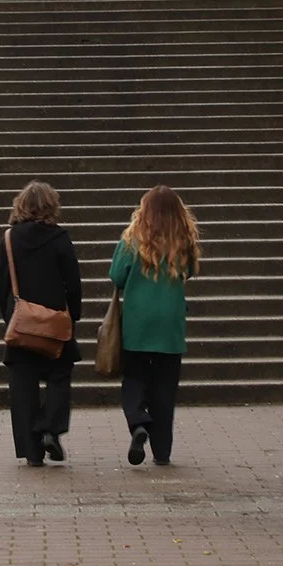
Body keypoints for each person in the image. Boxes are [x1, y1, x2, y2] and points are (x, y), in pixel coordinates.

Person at [108, 184, 201, 467]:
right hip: (170, 326)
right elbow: (191, 271)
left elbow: (116, 276)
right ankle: (162, 451)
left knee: (134, 378)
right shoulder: (183, 240)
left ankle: (138, 422)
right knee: (165, 387)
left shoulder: (132, 240)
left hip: (138, 323)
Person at [0, 179, 82, 466]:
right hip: (54, 321)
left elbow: (2, 285)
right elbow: (73, 282)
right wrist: (74, 316)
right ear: (51, 205)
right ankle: (50, 428)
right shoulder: (59, 238)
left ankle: (32, 452)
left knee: (22, 385)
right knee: (60, 374)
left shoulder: (9, 239)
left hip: (22, 320)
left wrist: (9, 317)